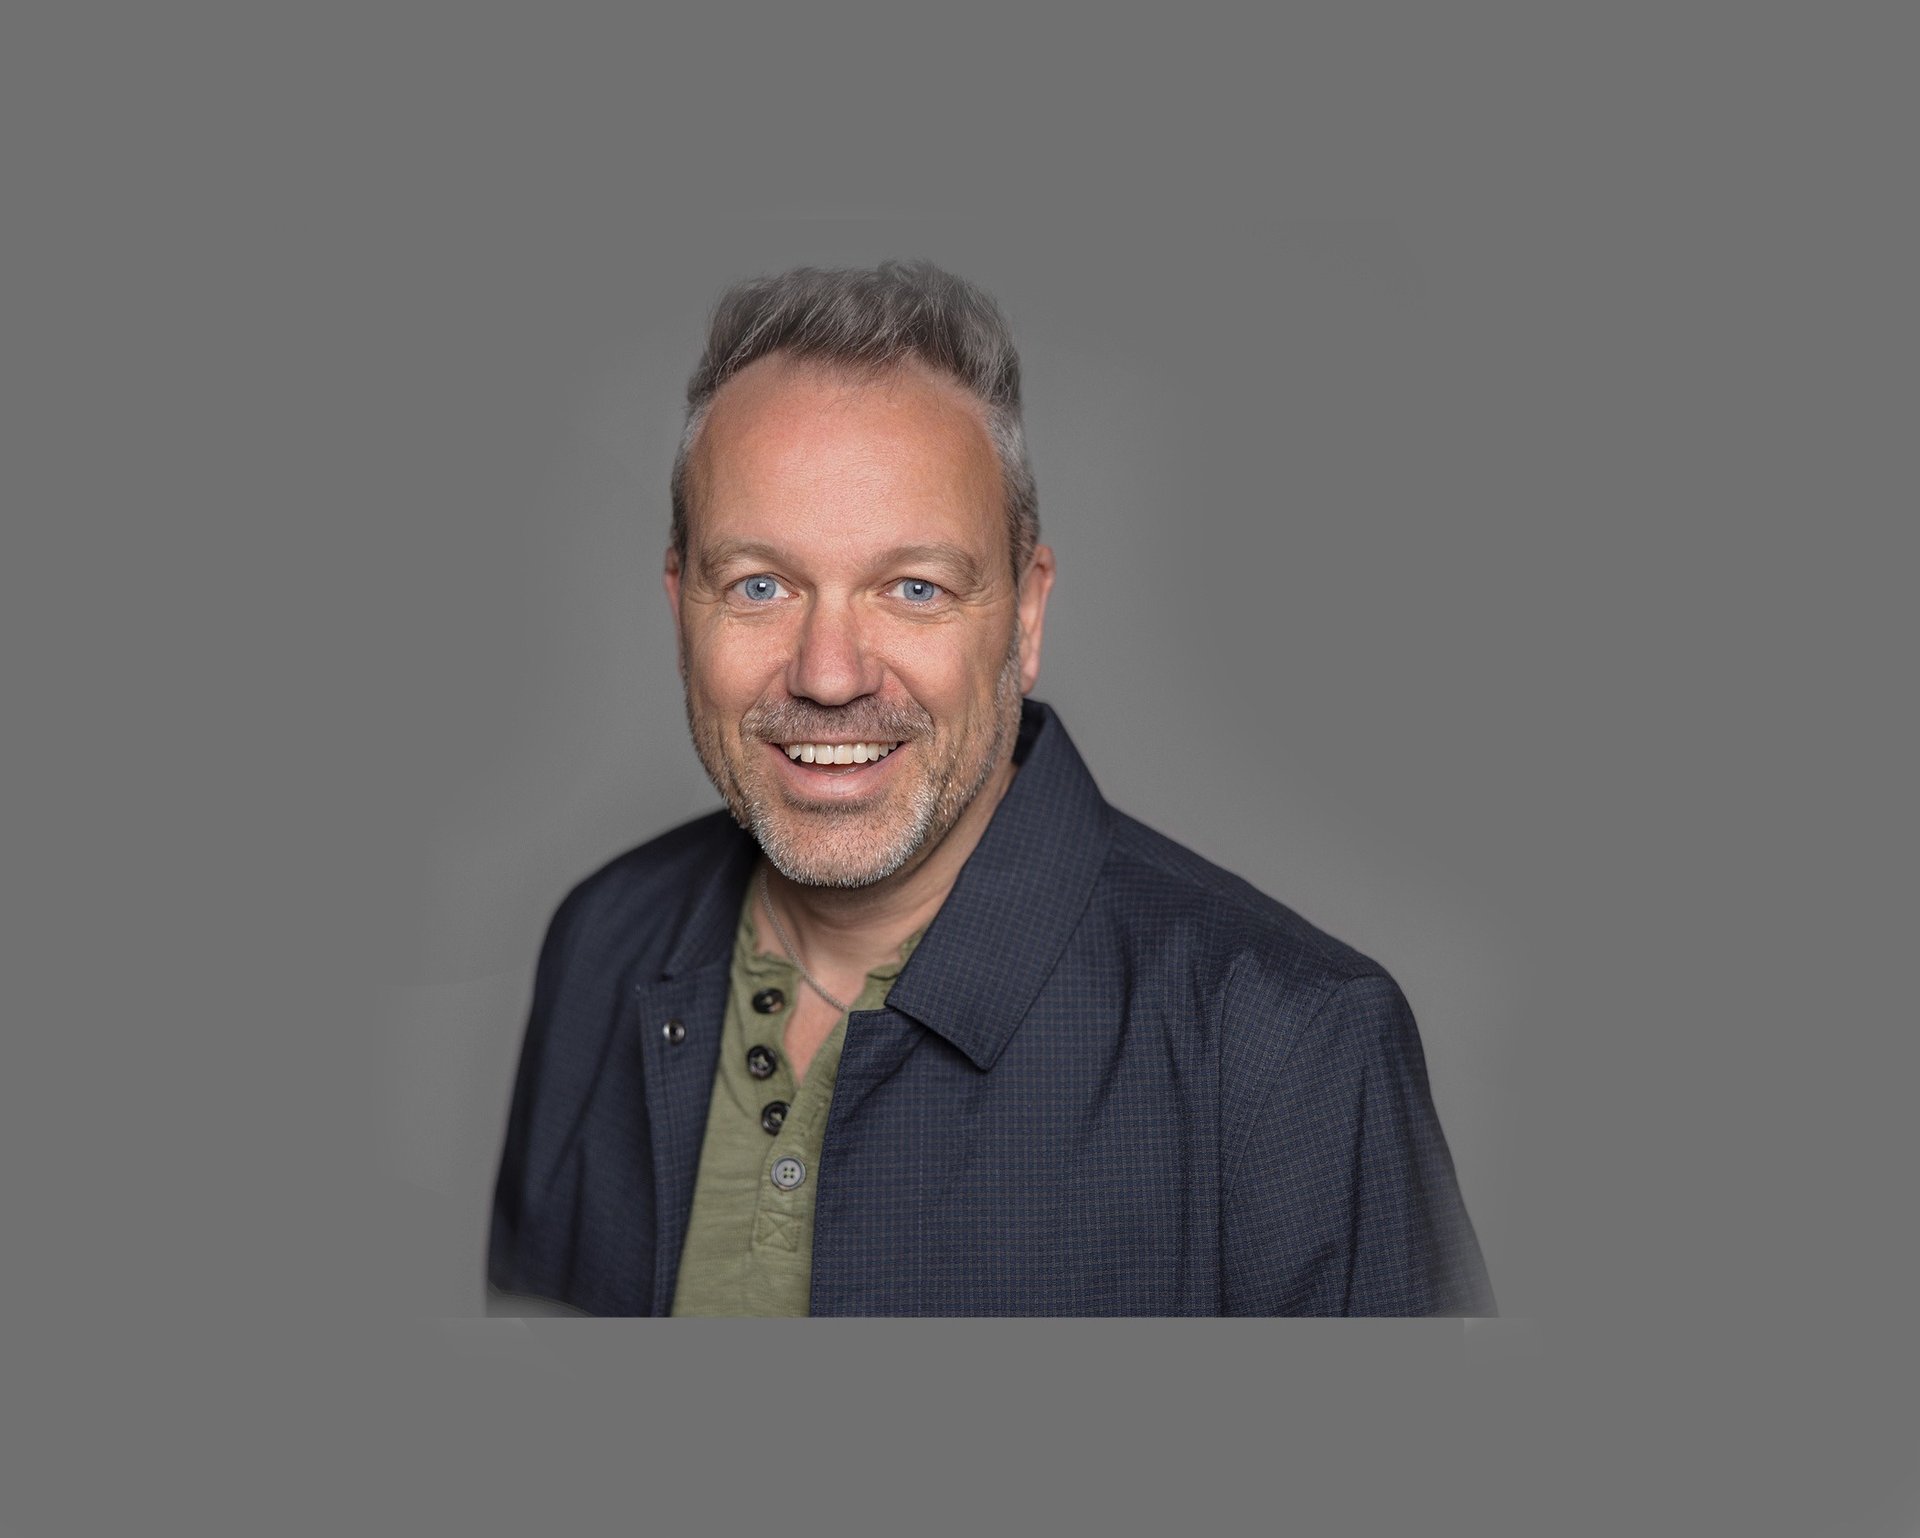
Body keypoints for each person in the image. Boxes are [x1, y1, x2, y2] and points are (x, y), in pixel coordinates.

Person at [487, 259, 1495, 1316]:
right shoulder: (599, 943)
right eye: (762, 585)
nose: (828, 675)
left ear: (1025, 616)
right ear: (679, 607)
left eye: (914, 587)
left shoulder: (1291, 1050)